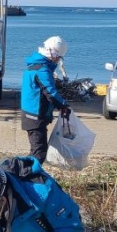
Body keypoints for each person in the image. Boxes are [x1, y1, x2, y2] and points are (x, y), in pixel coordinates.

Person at [20, 36, 72, 164]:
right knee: (39, 153)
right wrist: (63, 105)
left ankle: (27, 177)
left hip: (31, 112)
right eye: (59, 57)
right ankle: (25, 178)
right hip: (35, 114)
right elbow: (50, 92)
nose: (58, 60)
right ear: (53, 54)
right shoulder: (42, 69)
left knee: (37, 151)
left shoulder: (36, 65)